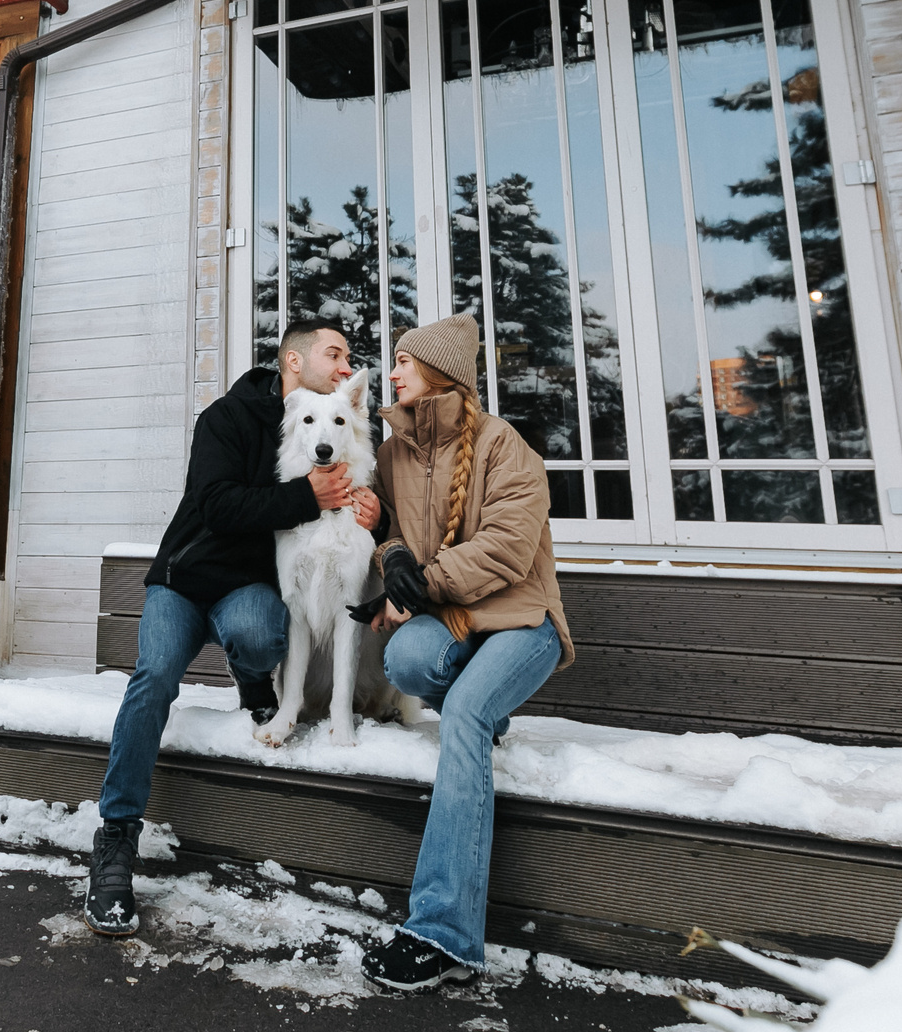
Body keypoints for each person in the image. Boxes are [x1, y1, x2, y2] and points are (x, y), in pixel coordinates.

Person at [84, 318, 378, 936]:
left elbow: (349, 493)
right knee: (155, 678)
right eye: (335, 354)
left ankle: (256, 690)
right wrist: (310, 498)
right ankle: (115, 840)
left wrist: (369, 508)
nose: (346, 367)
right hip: (187, 580)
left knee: (261, 635)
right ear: (294, 364)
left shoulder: (329, 426)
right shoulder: (226, 418)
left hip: (248, 590)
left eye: (350, 358)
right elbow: (217, 503)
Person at [352, 312, 573, 991]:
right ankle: (485, 708)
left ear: (440, 374)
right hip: (454, 623)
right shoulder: (394, 451)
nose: (392, 373)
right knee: (404, 662)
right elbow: (389, 529)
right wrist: (391, 558)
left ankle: (443, 932)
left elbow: (508, 546)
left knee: (466, 715)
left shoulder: (504, 445)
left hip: (521, 622)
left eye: (403, 362)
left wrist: (423, 585)